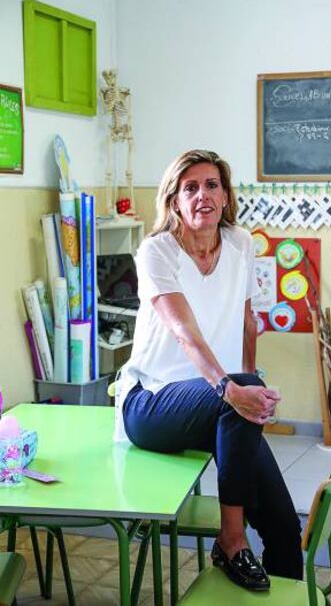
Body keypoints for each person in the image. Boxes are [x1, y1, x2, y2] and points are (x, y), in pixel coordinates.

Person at [114, 149, 303, 591]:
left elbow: (247, 321)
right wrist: (233, 386)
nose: (203, 195)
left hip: (219, 403)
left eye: (212, 185)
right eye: (190, 187)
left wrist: (250, 393)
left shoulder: (240, 243)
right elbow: (183, 331)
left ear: (225, 196)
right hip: (151, 403)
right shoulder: (156, 251)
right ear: (174, 200)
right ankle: (231, 541)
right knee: (237, 393)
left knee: (285, 531)